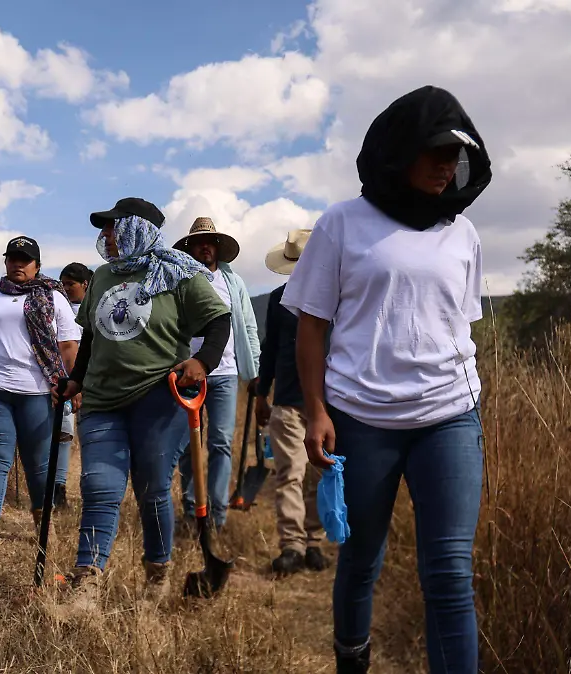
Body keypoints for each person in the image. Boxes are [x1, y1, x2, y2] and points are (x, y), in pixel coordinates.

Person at [281, 85, 491, 674]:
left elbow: (455, 325)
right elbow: (312, 327)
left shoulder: (464, 233)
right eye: (435, 152)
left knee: (449, 572)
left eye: (456, 154)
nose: (448, 166)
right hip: (361, 418)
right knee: (361, 560)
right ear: (400, 151)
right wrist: (318, 411)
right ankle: (353, 660)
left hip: (449, 416)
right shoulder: (344, 223)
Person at [56, 197, 231, 607]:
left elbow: (219, 319)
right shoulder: (101, 277)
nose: (104, 237)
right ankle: (87, 581)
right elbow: (91, 338)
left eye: (112, 228)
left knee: (152, 490)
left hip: (160, 397)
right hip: (102, 398)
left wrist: (203, 361)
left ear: (136, 228)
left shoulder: (178, 272)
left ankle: (157, 574)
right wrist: (75, 380)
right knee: (99, 485)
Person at [0, 236, 81, 571]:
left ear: (37, 265)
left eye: (24, 259)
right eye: (12, 258)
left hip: (39, 393)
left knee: (39, 466)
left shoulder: (55, 298)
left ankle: (44, 528)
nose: (17, 264)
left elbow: (68, 346)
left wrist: (74, 385)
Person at [171, 217, 259, 531]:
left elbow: (248, 325)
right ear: (189, 248)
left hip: (226, 372)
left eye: (209, 242)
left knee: (221, 442)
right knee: (185, 443)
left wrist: (255, 369)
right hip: (188, 372)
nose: (204, 247)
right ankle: (193, 510)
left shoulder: (233, 283)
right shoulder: (178, 281)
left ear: (217, 248)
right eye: (198, 242)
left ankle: (217, 517)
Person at [255, 228, 330, 577]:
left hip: (327, 402)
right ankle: (293, 545)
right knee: (289, 474)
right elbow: (270, 348)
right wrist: (261, 392)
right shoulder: (277, 299)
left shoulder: (338, 297)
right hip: (286, 397)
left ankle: (314, 542)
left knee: (320, 474)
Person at [51, 262, 93, 508]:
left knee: (90, 436)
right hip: (66, 379)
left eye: (71, 284)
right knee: (63, 433)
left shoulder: (95, 307)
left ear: (85, 284)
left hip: (94, 380)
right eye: (63, 284)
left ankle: (92, 488)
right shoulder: (58, 307)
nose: (66, 289)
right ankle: (58, 488)